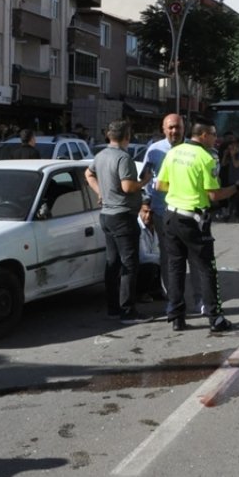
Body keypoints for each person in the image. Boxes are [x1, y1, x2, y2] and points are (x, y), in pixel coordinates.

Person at [157, 118, 239, 332]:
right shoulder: (206, 158)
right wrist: (236, 187)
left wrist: (182, 188)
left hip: (171, 216)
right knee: (207, 269)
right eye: (214, 135)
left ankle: (176, 316)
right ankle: (215, 318)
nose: (217, 140)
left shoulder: (174, 152)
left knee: (175, 267)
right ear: (204, 135)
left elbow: (161, 185)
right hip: (193, 219)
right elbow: (214, 194)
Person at [84, 120, 152, 324]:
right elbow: (128, 187)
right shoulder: (123, 157)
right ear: (127, 137)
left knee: (112, 263)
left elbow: (88, 174)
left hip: (106, 215)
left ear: (108, 136)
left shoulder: (101, 155)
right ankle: (127, 311)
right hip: (123, 216)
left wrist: (101, 193)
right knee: (129, 264)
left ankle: (113, 308)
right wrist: (145, 181)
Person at [141, 114, 185, 304]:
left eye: (177, 127)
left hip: (187, 211)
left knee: (189, 255)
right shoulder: (154, 150)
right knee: (168, 255)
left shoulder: (191, 149)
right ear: (163, 129)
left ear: (184, 128)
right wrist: (145, 204)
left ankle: (199, 299)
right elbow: (145, 179)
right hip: (162, 211)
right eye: (170, 127)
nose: (174, 131)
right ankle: (173, 297)